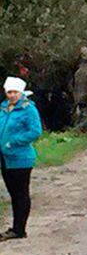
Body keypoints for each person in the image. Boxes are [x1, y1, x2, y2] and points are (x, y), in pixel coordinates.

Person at [0, 77, 43, 241]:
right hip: (5, 157)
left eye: (15, 92)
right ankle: (15, 227)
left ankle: (19, 229)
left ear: (21, 92)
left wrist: (14, 141)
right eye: (9, 92)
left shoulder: (28, 109)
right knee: (12, 193)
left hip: (21, 157)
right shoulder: (4, 108)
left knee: (20, 193)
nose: (12, 95)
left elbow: (35, 131)